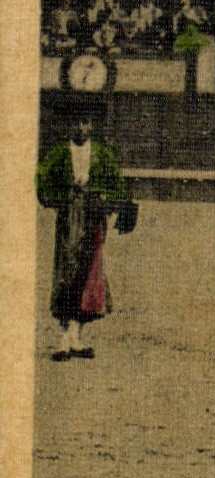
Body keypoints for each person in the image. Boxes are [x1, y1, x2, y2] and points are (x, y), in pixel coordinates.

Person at [36, 108, 138, 361]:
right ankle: (70, 336)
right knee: (67, 271)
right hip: (69, 218)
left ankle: (71, 337)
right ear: (69, 126)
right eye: (75, 122)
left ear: (91, 125)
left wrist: (107, 200)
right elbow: (41, 181)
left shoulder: (103, 154)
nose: (80, 127)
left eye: (85, 122)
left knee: (89, 272)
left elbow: (118, 185)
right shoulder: (58, 153)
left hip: (93, 217)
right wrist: (59, 199)